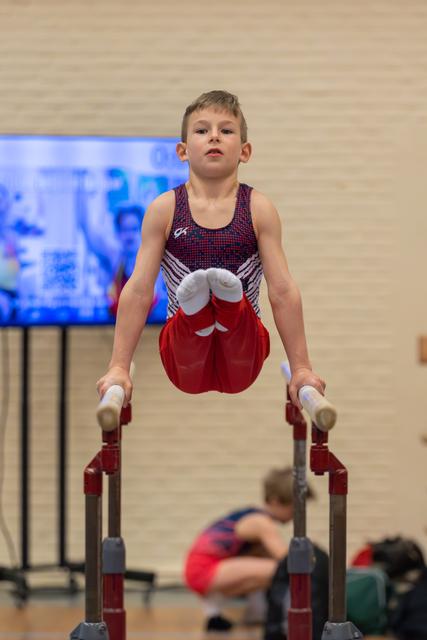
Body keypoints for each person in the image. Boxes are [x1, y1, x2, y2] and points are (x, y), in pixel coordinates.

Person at [96, 90, 325, 404]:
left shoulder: (258, 209)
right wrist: (118, 367)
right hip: (183, 358)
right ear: (182, 150)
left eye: (226, 130)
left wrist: (301, 369)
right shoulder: (164, 209)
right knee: (182, 329)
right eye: (202, 130)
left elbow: (282, 290)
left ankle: (228, 308)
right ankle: (199, 313)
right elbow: (138, 289)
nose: (214, 137)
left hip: (244, 354)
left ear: (244, 151)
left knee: (243, 325)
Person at [184, 467, 313, 632]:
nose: (297, 514)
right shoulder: (260, 522)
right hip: (202, 570)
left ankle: (241, 613)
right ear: (275, 501)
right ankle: (263, 615)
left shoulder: (254, 516)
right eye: (294, 508)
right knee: (281, 570)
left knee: (268, 564)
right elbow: (286, 560)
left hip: (204, 568)